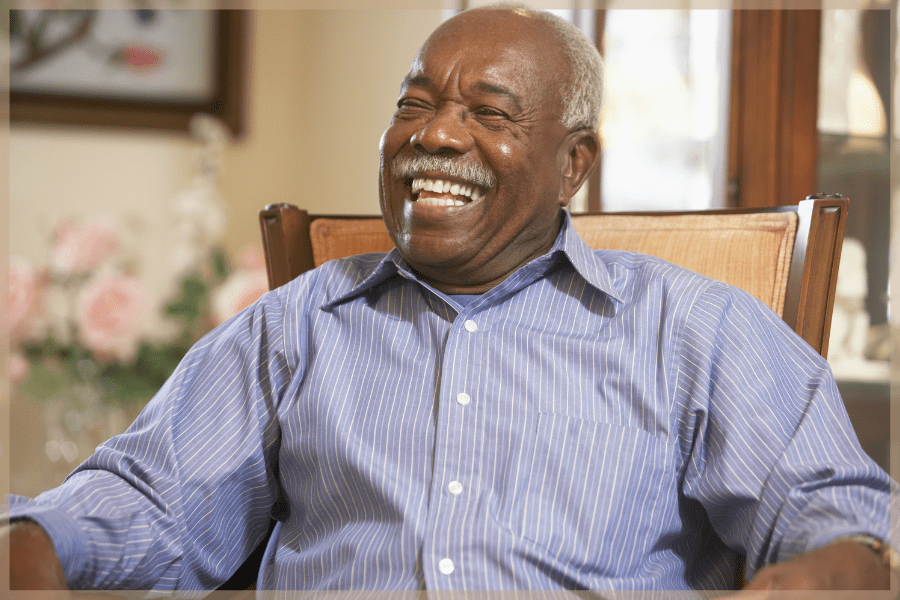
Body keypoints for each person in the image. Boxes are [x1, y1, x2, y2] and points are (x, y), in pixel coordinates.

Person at [5, 6, 896, 594]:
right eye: (415, 104)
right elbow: (150, 500)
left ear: (573, 164)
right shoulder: (297, 327)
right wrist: (36, 543)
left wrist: (835, 570)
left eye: (490, 113)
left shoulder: (694, 329)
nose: (434, 134)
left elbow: (839, 513)